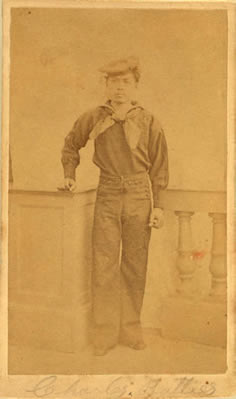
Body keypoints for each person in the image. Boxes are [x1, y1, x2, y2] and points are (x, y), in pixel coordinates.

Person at [61, 56, 169, 356]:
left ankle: (131, 330)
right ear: (105, 85)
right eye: (113, 82)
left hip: (139, 197)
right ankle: (104, 335)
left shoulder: (149, 121)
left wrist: (157, 206)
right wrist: (69, 176)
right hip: (107, 194)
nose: (119, 89)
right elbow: (71, 144)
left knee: (135, 266)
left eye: (125, 83)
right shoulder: (94, 117)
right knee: (105, 266)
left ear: (135, 87)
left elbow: (159, 166)